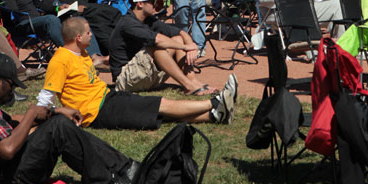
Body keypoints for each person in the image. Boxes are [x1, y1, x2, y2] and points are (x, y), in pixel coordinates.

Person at [0, 53, 139, 184]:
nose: (12, 92)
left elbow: (11, 119)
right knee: (59, 129)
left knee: (56, 124)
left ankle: (122, 168)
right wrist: (32, 115)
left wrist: (54, 111)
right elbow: (7, 150)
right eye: (10, 85)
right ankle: (109, 181)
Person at [37, 16, 237, 130]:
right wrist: (50, 116)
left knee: (157, 114)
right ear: (78, 37)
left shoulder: (82, 53)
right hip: (96, 111)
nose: (92, 35)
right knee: (158, 105)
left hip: (107, 98)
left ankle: (214, 115)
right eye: (89, 33)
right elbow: (46, 96)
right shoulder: (61, 59)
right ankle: (215, 103)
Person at [110, 0, 211, 95]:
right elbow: (157, 40)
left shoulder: (148, 20)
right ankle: (188, 85)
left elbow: (180, 32)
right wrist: (186, 47)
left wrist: (190, 45)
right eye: (152, 1)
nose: (156, 4)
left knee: (178, 39)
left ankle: (193, 81)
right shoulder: (128, 23)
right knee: (156, 47)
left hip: (141, 75)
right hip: (125, 80)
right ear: (140, 4)